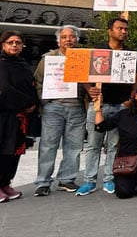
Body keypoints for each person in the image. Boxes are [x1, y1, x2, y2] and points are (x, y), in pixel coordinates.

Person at [78, 18, 137, 196]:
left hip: (121, 105)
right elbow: (82, 74)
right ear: (109, 31)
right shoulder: (98, 51)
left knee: (114, 144)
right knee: (93, 144)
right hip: (99, 104)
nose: (123, 31)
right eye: (119, 28)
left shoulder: (131, 54)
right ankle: (89, 180)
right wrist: (89, 90)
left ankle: (109, 179)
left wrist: (131, 98)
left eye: (126, 29)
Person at [33, 26, 86, 196]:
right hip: (53, 107)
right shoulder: (48, 59)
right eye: (64, 37)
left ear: (77, 39)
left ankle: (67, 179)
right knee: (48, 145)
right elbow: (37, 81)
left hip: (77, 106)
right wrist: (45, 99)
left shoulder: (84, 57)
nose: (68, 40)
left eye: (72, 36)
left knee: (74, 146)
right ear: (58, 40)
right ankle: (43, 181)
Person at [93, 83, 137, 198]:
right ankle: (131, 182)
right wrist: (98, 108)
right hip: (126, 163)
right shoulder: (124, 115)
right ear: (136, 96)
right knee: (123, 193)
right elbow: (101, 127)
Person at [0, 31, 40, 203]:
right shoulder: (1, 65)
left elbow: (31, 86)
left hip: (21, 118)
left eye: (18, 42)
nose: (14, 45)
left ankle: (5, 183)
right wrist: (26, 103)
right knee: (2, 150)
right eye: (10, 42)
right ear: (3, 45)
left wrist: (34, 103)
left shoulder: (22, 64)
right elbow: (5, 90)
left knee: (14, 152)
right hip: (4, 115)